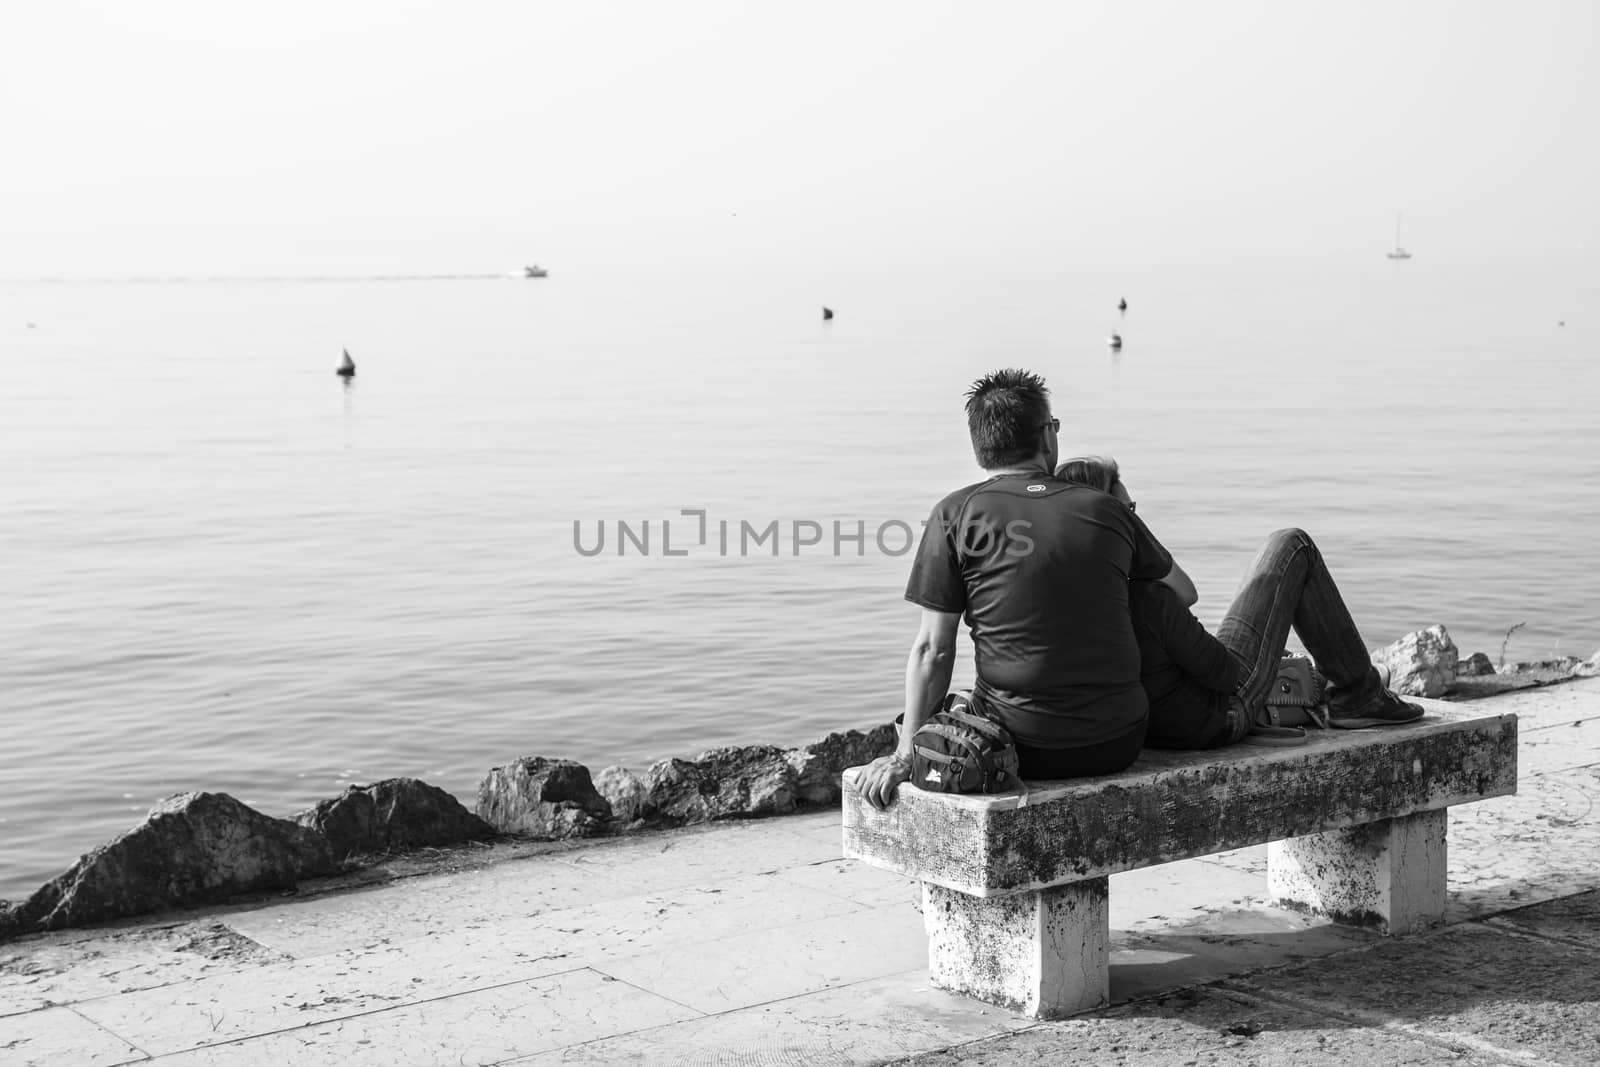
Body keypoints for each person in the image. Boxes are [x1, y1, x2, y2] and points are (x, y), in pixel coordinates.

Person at [856, 369, 1183, 809]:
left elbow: (933, 650)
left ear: (979, 448)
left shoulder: (956, 513)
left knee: (956, 705)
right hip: (1119, 740)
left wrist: (902, 754)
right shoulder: (1106, 508)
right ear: (1046, 436)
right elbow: (1175, 595)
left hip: (1020, 749)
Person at [1053, 454, 1424, 749]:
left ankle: (1341, 682)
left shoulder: (1066, 597)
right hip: (1217, 718)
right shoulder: (1148, 596)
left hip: (1144, 729)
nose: (1138, 519)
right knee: (1293, 546)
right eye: (1130, 511)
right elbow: (1222, 672)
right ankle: (1360, 695)